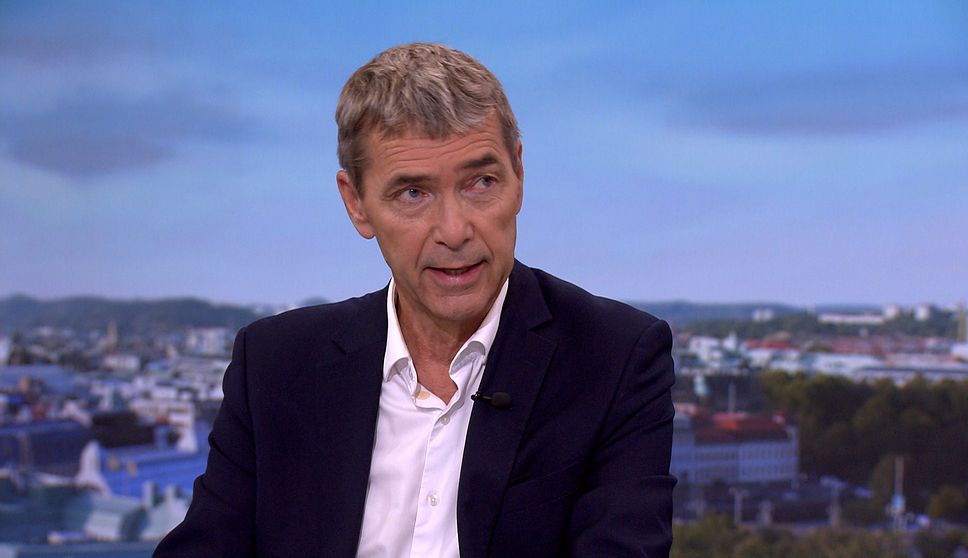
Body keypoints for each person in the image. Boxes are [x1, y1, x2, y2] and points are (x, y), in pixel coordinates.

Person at [155, 42, 676, 557]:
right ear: (356, 204)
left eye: (481, 182)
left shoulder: (614, 358)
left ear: (518, 174)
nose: (453, 230)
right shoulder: (275, 365)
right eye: (413, 193)